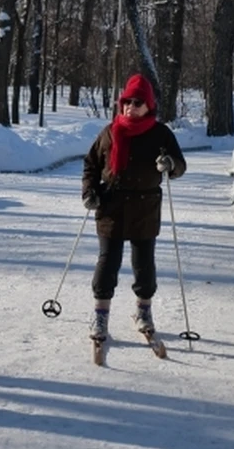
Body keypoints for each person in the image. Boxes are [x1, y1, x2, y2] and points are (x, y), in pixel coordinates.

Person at [80, 73, 186, 342]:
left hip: (145, 207)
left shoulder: (161, 134)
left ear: (148, 105)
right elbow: (91, 164)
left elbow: (180, 164)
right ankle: (101, 315)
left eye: (138, 102)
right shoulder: (110, 132)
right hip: (111, 205)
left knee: (143, 265)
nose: (131, 107)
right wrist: (89, 192)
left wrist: (170, 165)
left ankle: (143, 312)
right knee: (107, 263)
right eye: (127, 101)